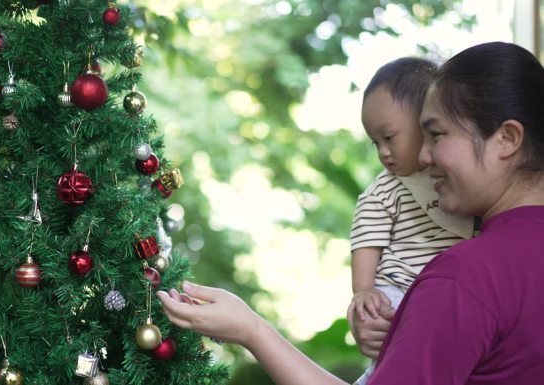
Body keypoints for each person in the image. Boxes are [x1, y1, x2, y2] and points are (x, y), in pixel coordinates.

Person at [157, 41, 544, 384]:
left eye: (437, 134)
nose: (424, 157)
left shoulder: (466, 278)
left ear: (507, 139)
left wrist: (253, 331)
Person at [349, 57, 475, 384]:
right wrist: (363, 290)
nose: (383, 152)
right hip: (396, 288)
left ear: (424, 122)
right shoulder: (385, 190)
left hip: (443, 292)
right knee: (393, 355)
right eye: (375, 142)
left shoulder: (456, 178)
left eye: (389, 137)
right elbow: (365, 241)